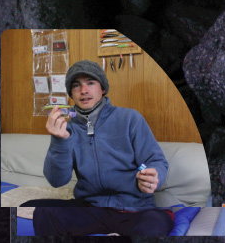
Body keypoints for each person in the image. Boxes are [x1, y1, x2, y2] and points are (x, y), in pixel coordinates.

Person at [22, 60, 173, 236]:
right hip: (91, 208)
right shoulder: (66, 129)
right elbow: (57, 181)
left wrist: (155, 176)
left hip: (134, 209)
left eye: (90, 83)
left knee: (156, 225)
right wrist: (59, 141)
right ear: (71, 94)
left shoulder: (130, 118)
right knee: (39, 210)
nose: (84, 90)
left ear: (103, 89)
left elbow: (156, 161)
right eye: (76, 85)